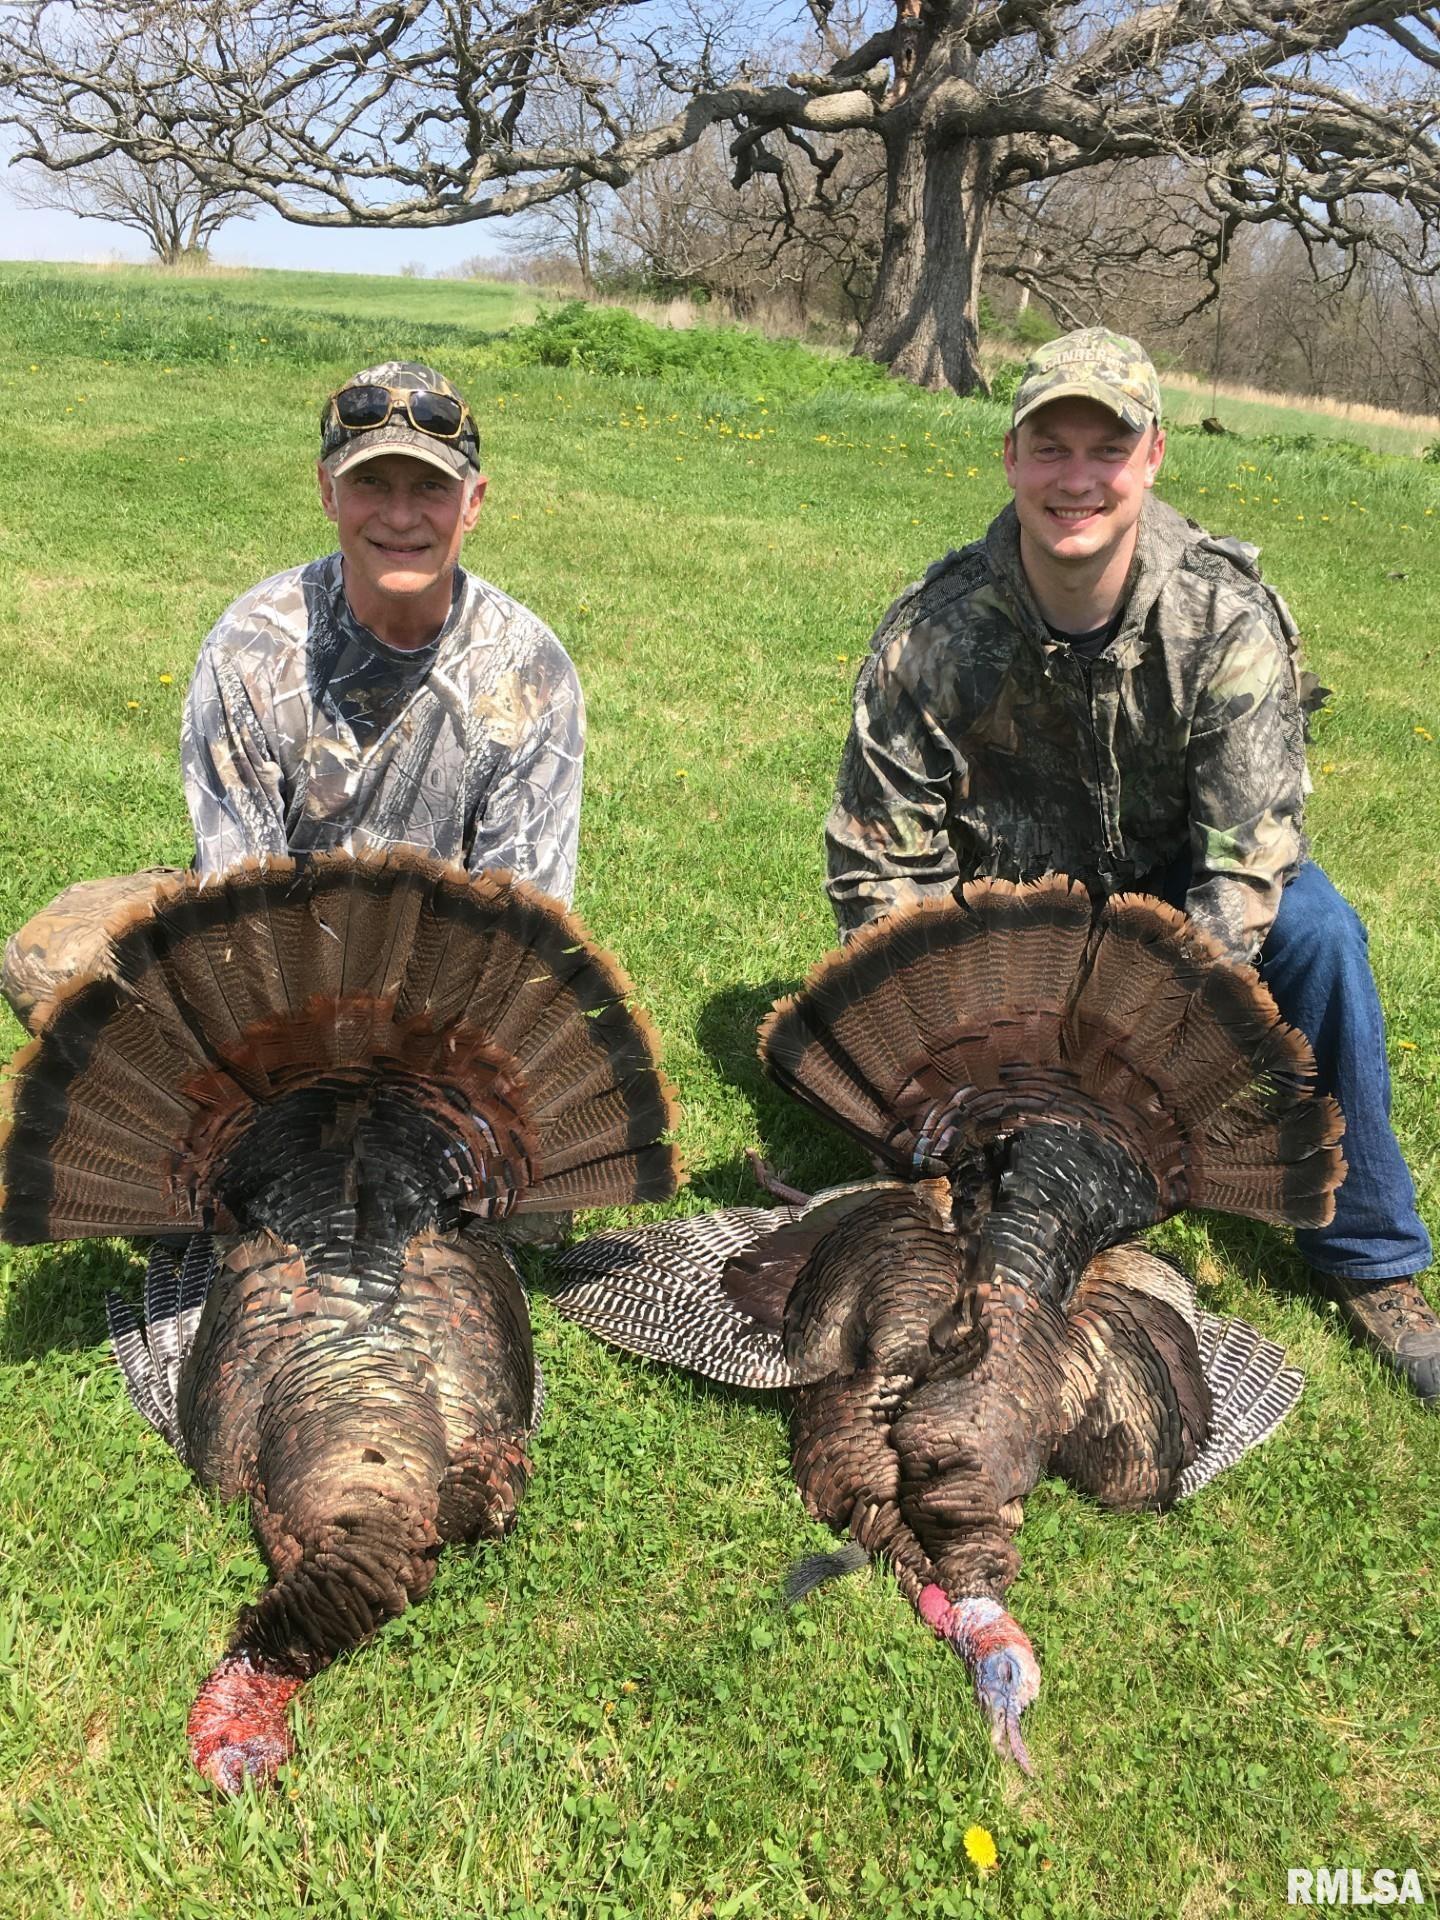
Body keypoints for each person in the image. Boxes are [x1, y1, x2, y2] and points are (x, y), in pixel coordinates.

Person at [824, 327, 1437, 1406]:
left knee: (1321, 935)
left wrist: (1129, 1079)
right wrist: (949, 1054)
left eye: (1106, 450)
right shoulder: (933, 634)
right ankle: (964, 1169)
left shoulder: (1224, 619)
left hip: (1180, 920)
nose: (1077, 480)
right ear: (1010, 460)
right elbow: (881, 868)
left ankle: (1371, 1258)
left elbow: (1244, 867)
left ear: (1152, 458)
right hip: (1008, 931)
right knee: (925, 1156)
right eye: (1050, 449)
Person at [4, 361, 585, 1024]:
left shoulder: (531, 671)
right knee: (48, 962)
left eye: (430, 486)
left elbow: (520, 933)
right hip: (276, 962)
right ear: (328, 492)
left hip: (440, 983)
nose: (400, 516)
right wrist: (298, 1049)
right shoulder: (251, 645)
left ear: (472, 502)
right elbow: (242, 899)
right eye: (369, 482)